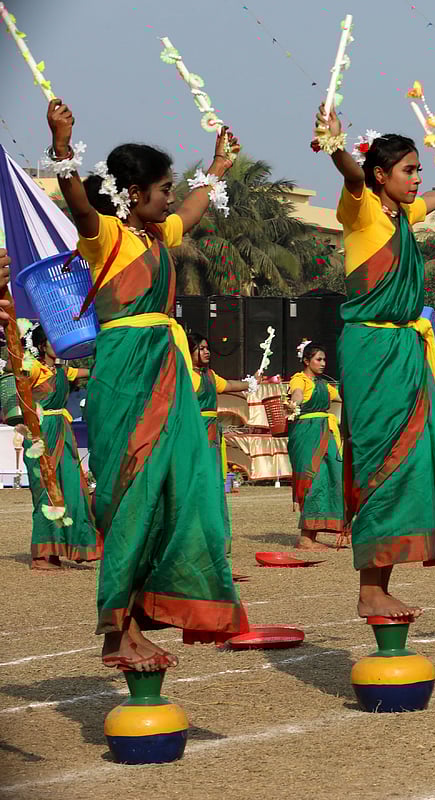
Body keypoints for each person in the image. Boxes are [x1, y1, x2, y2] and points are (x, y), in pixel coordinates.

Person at [48, 98, 247, 669]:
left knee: (176, 491)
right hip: (126, 372)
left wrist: (220, 166)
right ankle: (118, 630)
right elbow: (77, 201)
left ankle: (142, 616)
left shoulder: (160, 236)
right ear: (134, 193)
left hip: (166, 369)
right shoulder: (106, 235)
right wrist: (63, 143)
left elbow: (197, 206)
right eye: (163, 188)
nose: (170, 197)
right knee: (130, 493)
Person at [318, 104, 435, 621]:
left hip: (408, 351)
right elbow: (349, 172)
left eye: (417, 170)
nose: (415, 179)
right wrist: (338, 145)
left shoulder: (401, 214)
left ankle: (380, 581)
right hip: (372, 349)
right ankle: (370, 586)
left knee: (411, 459)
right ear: (380, 175)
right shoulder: (361, 209)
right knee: (378, 460)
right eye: (407, 170)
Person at [22, 325, 99, 570]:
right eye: (55, 341)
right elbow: (18, 387)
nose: (60, 346)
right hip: (40, 433)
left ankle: (64, 549)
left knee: (72, 489)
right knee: (46, 490)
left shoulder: (64, 372)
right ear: (42, 345)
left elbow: (92, 372)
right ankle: (41, 555)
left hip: (63, 432)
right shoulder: (34, 368)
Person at [188, 330, 256, 567]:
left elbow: (229, 385)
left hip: (211, 435)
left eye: (207, 348)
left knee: (214, 486)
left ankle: (216, 541)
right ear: (190, 351)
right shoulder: (186, 375)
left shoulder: (209, 375)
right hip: (193, 433)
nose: (207, 352)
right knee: (196, 486)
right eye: (202, 348)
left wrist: (251, 383)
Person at [286, 341, 346, 550]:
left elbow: (343, 396)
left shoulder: (324, 385)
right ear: (306, 361)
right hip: (307, 434)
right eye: (318, 359)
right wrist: (295, 402)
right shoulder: (299, 379)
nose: (323, 363)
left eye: (324, 360)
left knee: (335, 476)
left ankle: (325, 530)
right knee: (314, 479)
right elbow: (297, 394)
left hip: (326, 432)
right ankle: (306, 538)